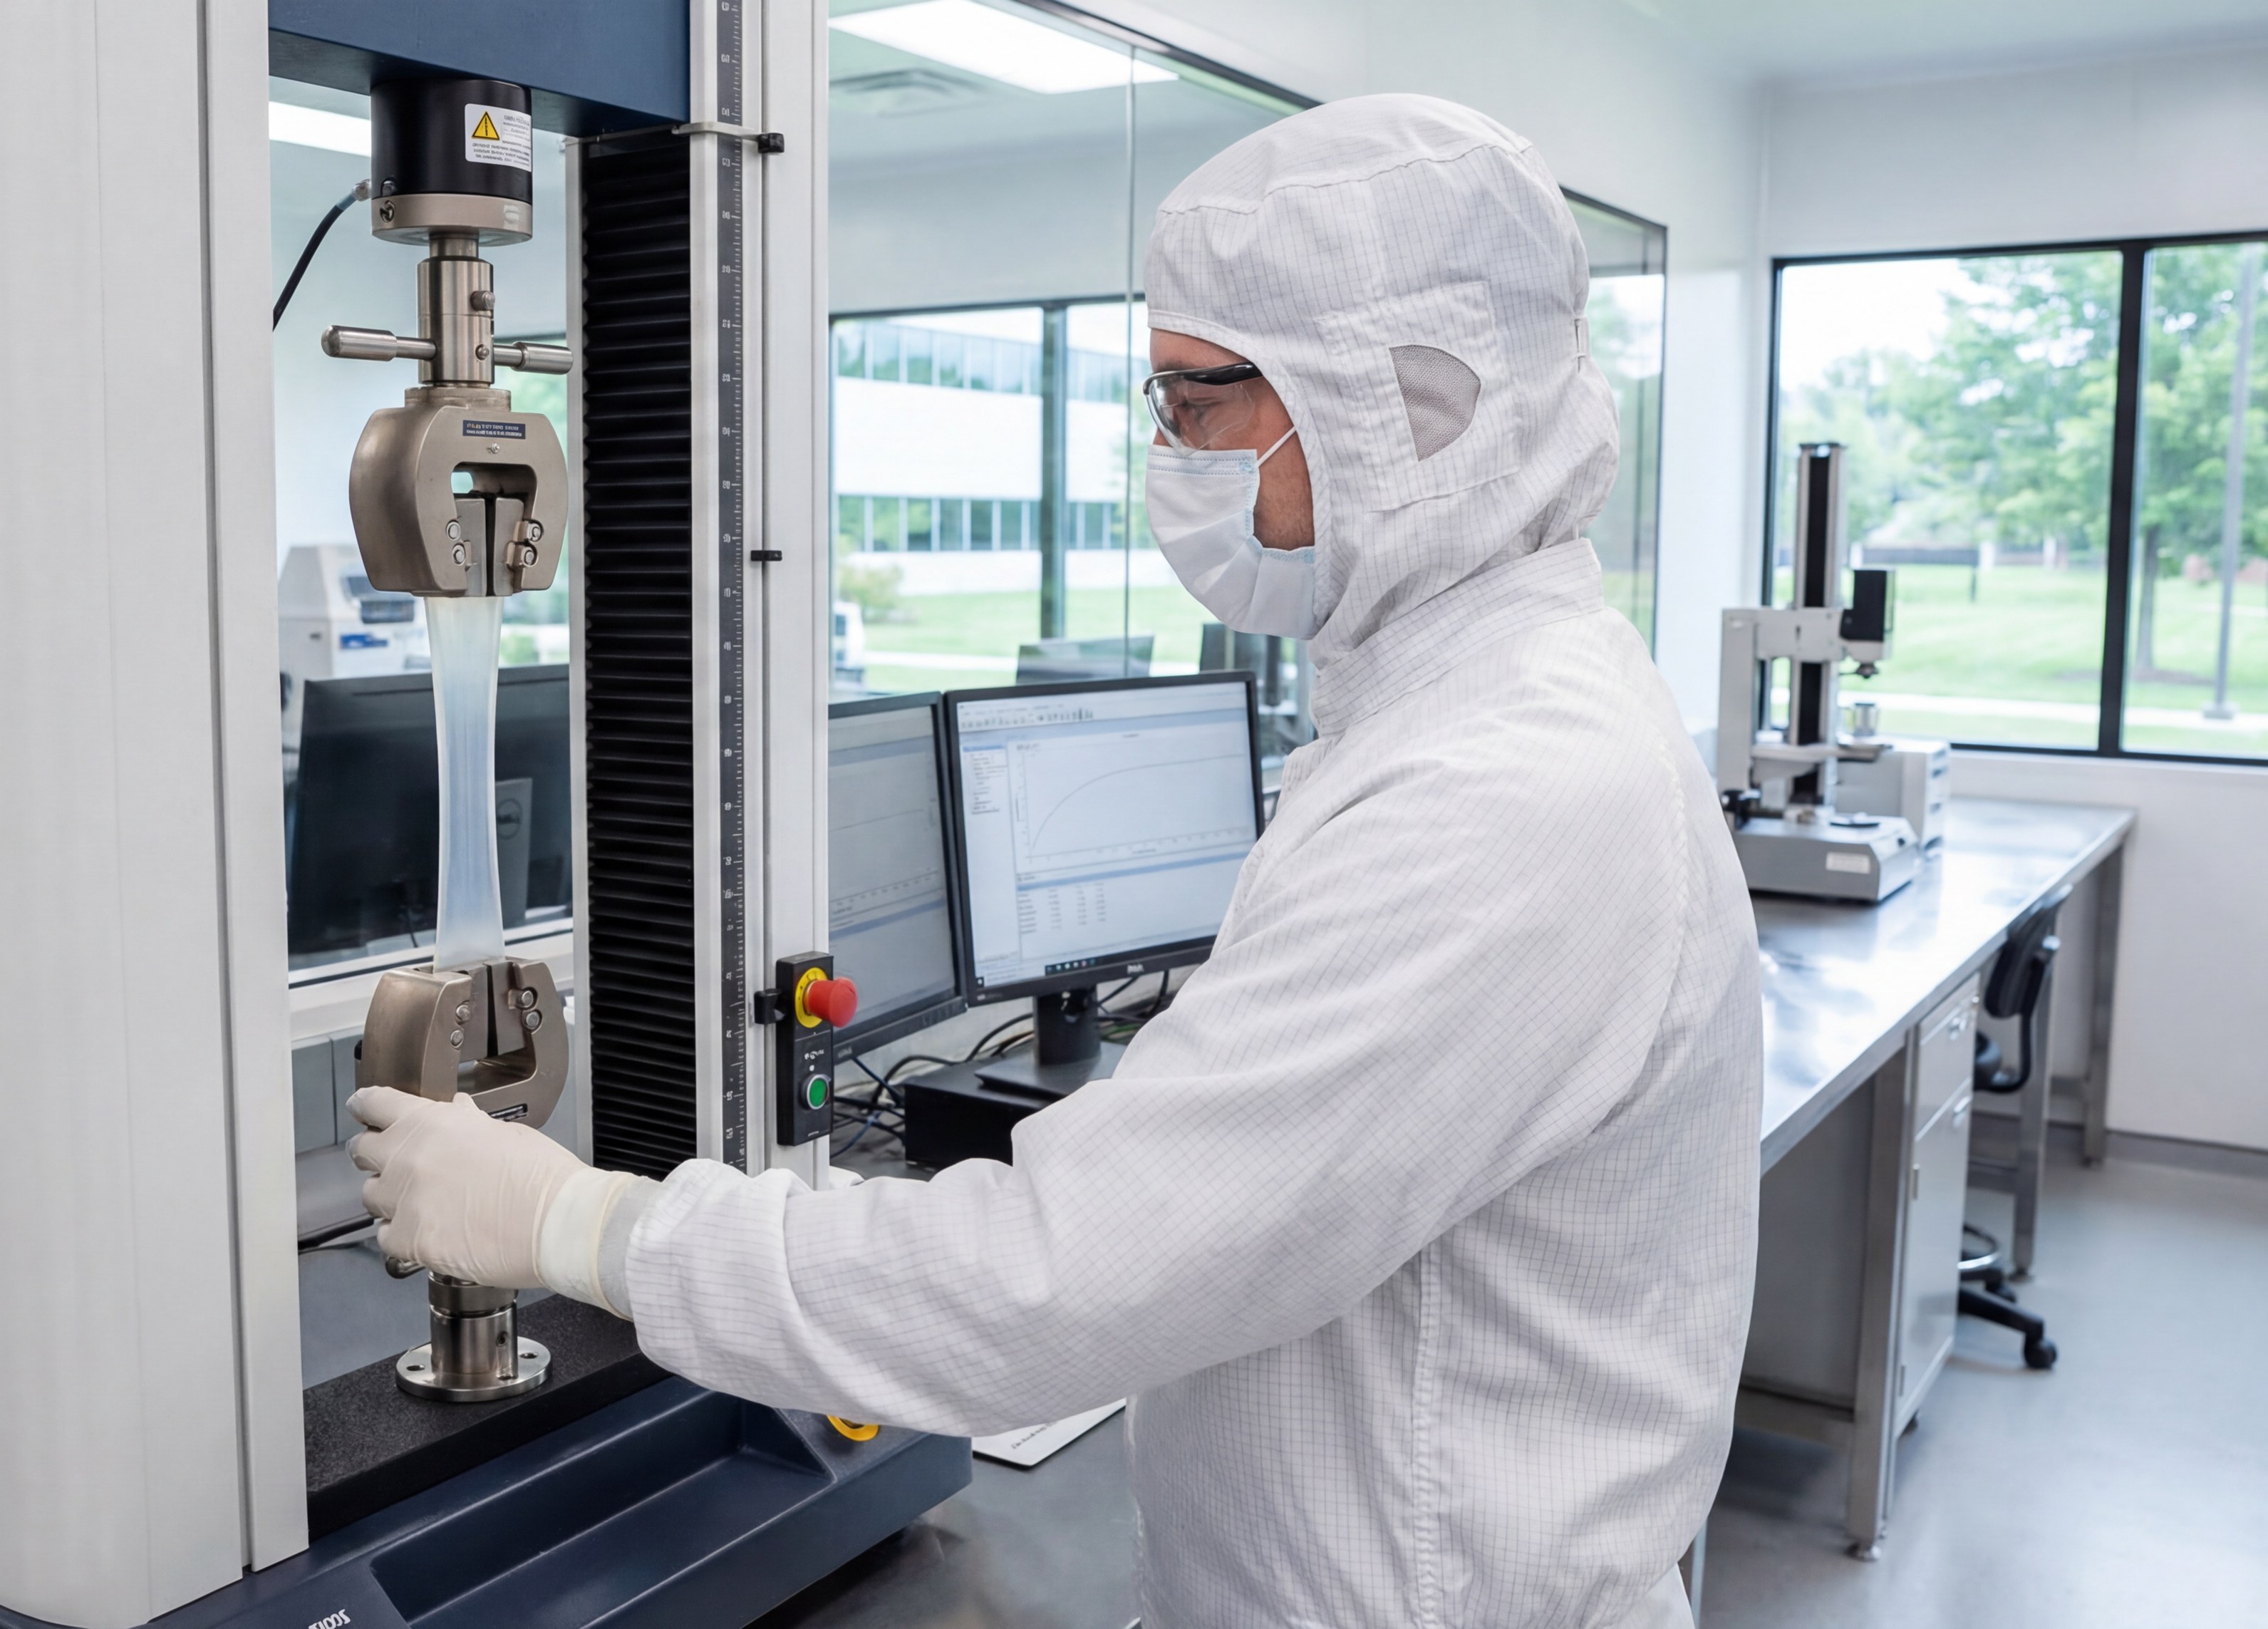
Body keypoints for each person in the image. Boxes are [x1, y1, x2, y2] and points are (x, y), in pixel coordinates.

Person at [349, 94, 1760, 1629]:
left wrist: (576, 1227)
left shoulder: (1501, 791)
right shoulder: (1457, 708)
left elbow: (1061, 1278)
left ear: (1393, 403)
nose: (1171, 456)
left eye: (1196, 402)